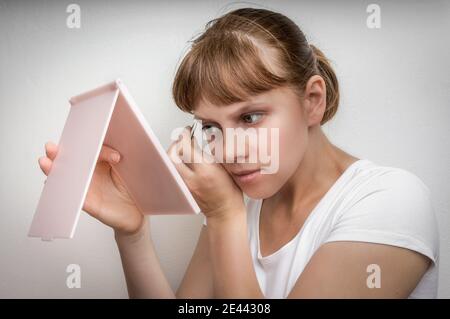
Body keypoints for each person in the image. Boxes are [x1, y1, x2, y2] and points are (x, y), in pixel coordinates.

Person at [38, 8, 439, 298]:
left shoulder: (390, 199)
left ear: (312, 101)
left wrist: (223, 216)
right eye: (210, 127)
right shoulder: (241, 205)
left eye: (250, 117)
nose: (226, 150)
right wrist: (133, 233)